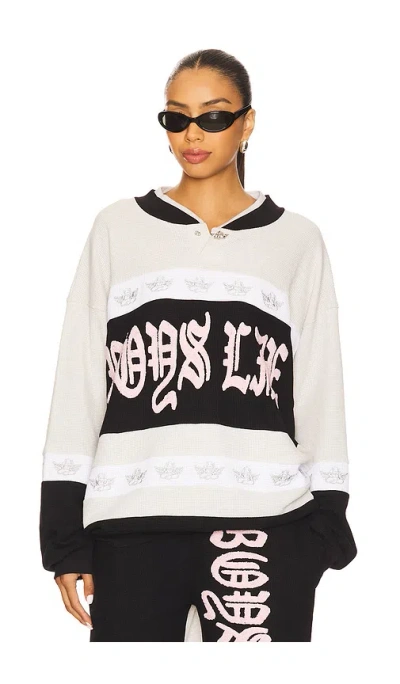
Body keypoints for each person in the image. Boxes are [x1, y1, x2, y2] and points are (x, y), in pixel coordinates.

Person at [39, 48, 358, 642]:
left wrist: (325, 525)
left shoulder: (296, 240)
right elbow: (79, 378)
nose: (193, 134)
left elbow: (320, 385)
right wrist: (63, 534)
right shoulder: (118, 228)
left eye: (213, 116)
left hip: (265, 527)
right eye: (176, 117)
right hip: (132, 523)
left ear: (247, 122)